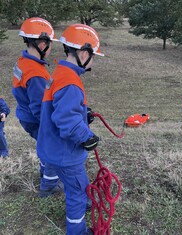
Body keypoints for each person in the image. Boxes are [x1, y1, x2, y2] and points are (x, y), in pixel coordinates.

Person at [37, 24, 103, 235]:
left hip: (52, 149)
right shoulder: (71, 82)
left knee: (79, 182)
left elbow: (60, 108)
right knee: (76, 191)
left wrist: (84, 114)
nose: (92, 61)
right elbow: (66, 119)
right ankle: (77, 231)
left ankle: (84, 200)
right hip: (64, 153)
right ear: (83, 53)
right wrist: (87, 136)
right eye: (93, 56)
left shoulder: (60, 73)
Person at [12, 17, 63, 197]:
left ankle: (44, 172)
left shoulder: (23, 61)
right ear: (42, 44)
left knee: (43, 145)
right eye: (50, 44)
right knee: (52, 147)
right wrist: (53, 125)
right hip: (35, 118)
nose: (50, 49)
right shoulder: (36, 73)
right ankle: (48, 185)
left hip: (24, 114)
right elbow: (39, 107)